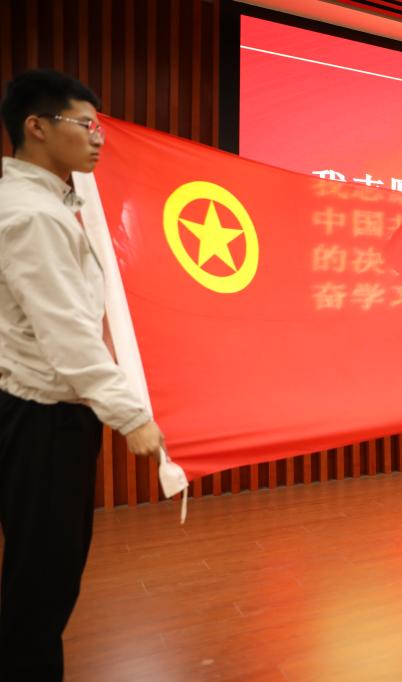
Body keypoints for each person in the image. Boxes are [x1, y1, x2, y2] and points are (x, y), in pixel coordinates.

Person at [0, 70, 165, 681]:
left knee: (38, 574)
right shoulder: (34, 216)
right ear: (36, 127)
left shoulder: (44, 204)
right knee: (44, 580)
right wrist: (132, 417)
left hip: (33, 410)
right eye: (85, 125)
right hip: (43, 419)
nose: (98, 138)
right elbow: (67, 336)